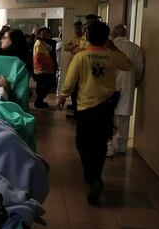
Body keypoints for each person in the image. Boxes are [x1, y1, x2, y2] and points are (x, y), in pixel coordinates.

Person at [57, 21, 132, 205]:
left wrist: (62, 96)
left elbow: (71, 80)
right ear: (106, 37)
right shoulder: (112, 56)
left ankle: (92, 178)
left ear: (88, 37)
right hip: (106, 108)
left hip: (86, 108)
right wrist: (113, 47)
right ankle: (95, 177)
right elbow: (128, 65)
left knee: (83, 143)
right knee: (99, 144)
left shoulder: (81, 57)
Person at [106, 24, 144, 157]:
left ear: (114, 34)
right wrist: (136, 81)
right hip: (127, 87)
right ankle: (121, 147)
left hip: (110, 87)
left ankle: (108, 147)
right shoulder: (135, 48)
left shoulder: (108, 47)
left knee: (107, 118)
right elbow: (139, 69)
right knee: (124, 118)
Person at [63, 21, 86, 118]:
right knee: (73, 89)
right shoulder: (74, 38)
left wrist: (75, 49)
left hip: (81, 68)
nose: (77, 30)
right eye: (75, 29)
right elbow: (65, 47)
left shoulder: (84, 38)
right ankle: (74, 106)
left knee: (77, 89)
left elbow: (81, 50)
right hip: (73, 65)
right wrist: (73, 47)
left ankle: (77, 111)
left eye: (79, 28)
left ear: (83, 28)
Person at [33, 27, 57, 108]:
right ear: (39, 34)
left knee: (44, 87)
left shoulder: (44, 42)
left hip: (46, 70)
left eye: (46, 33)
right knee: (43, 87)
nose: (44, 35)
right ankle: (39, 102)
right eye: (43, 33)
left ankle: (39, 101)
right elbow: (39, 57)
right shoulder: (38, 43)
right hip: (41, 70)